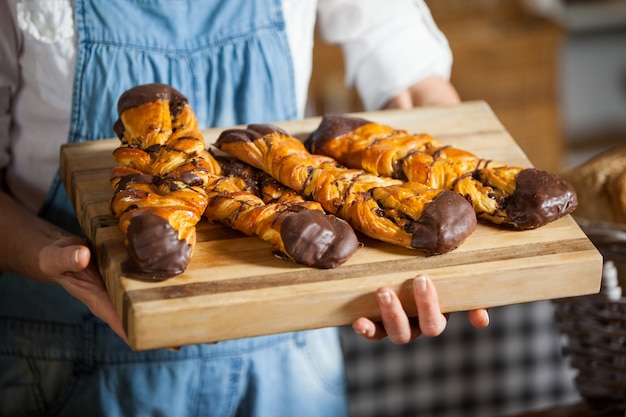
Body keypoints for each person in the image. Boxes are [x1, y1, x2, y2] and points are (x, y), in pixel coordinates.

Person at [0, 0, 489, 416]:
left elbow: (411, 77)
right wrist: (50, 256)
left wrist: (430, 223)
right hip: (70, 353)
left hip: (290, 352)